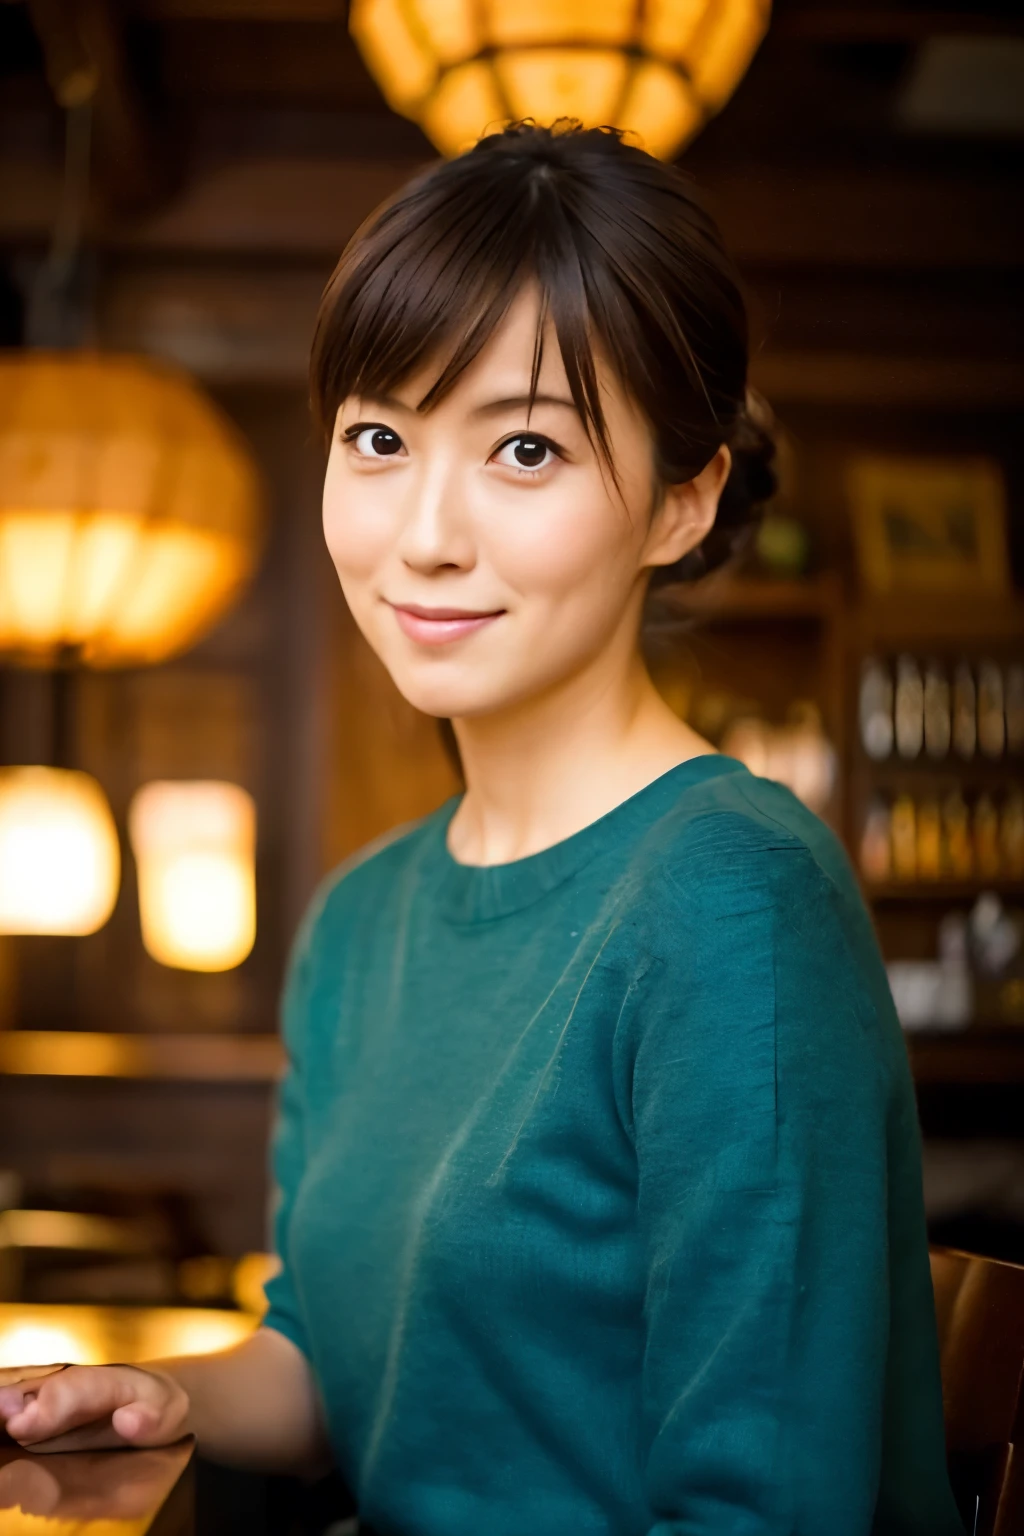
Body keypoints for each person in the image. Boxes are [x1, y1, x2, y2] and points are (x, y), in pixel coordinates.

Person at [0, 123, 964, 1536]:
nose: (426, 534)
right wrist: (157, 1386)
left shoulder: (731, 897)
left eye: (524, 448)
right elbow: (328, 1362)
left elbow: (765, 1509)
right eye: (378, 438)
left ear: (680, 502)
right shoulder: (362, 917)